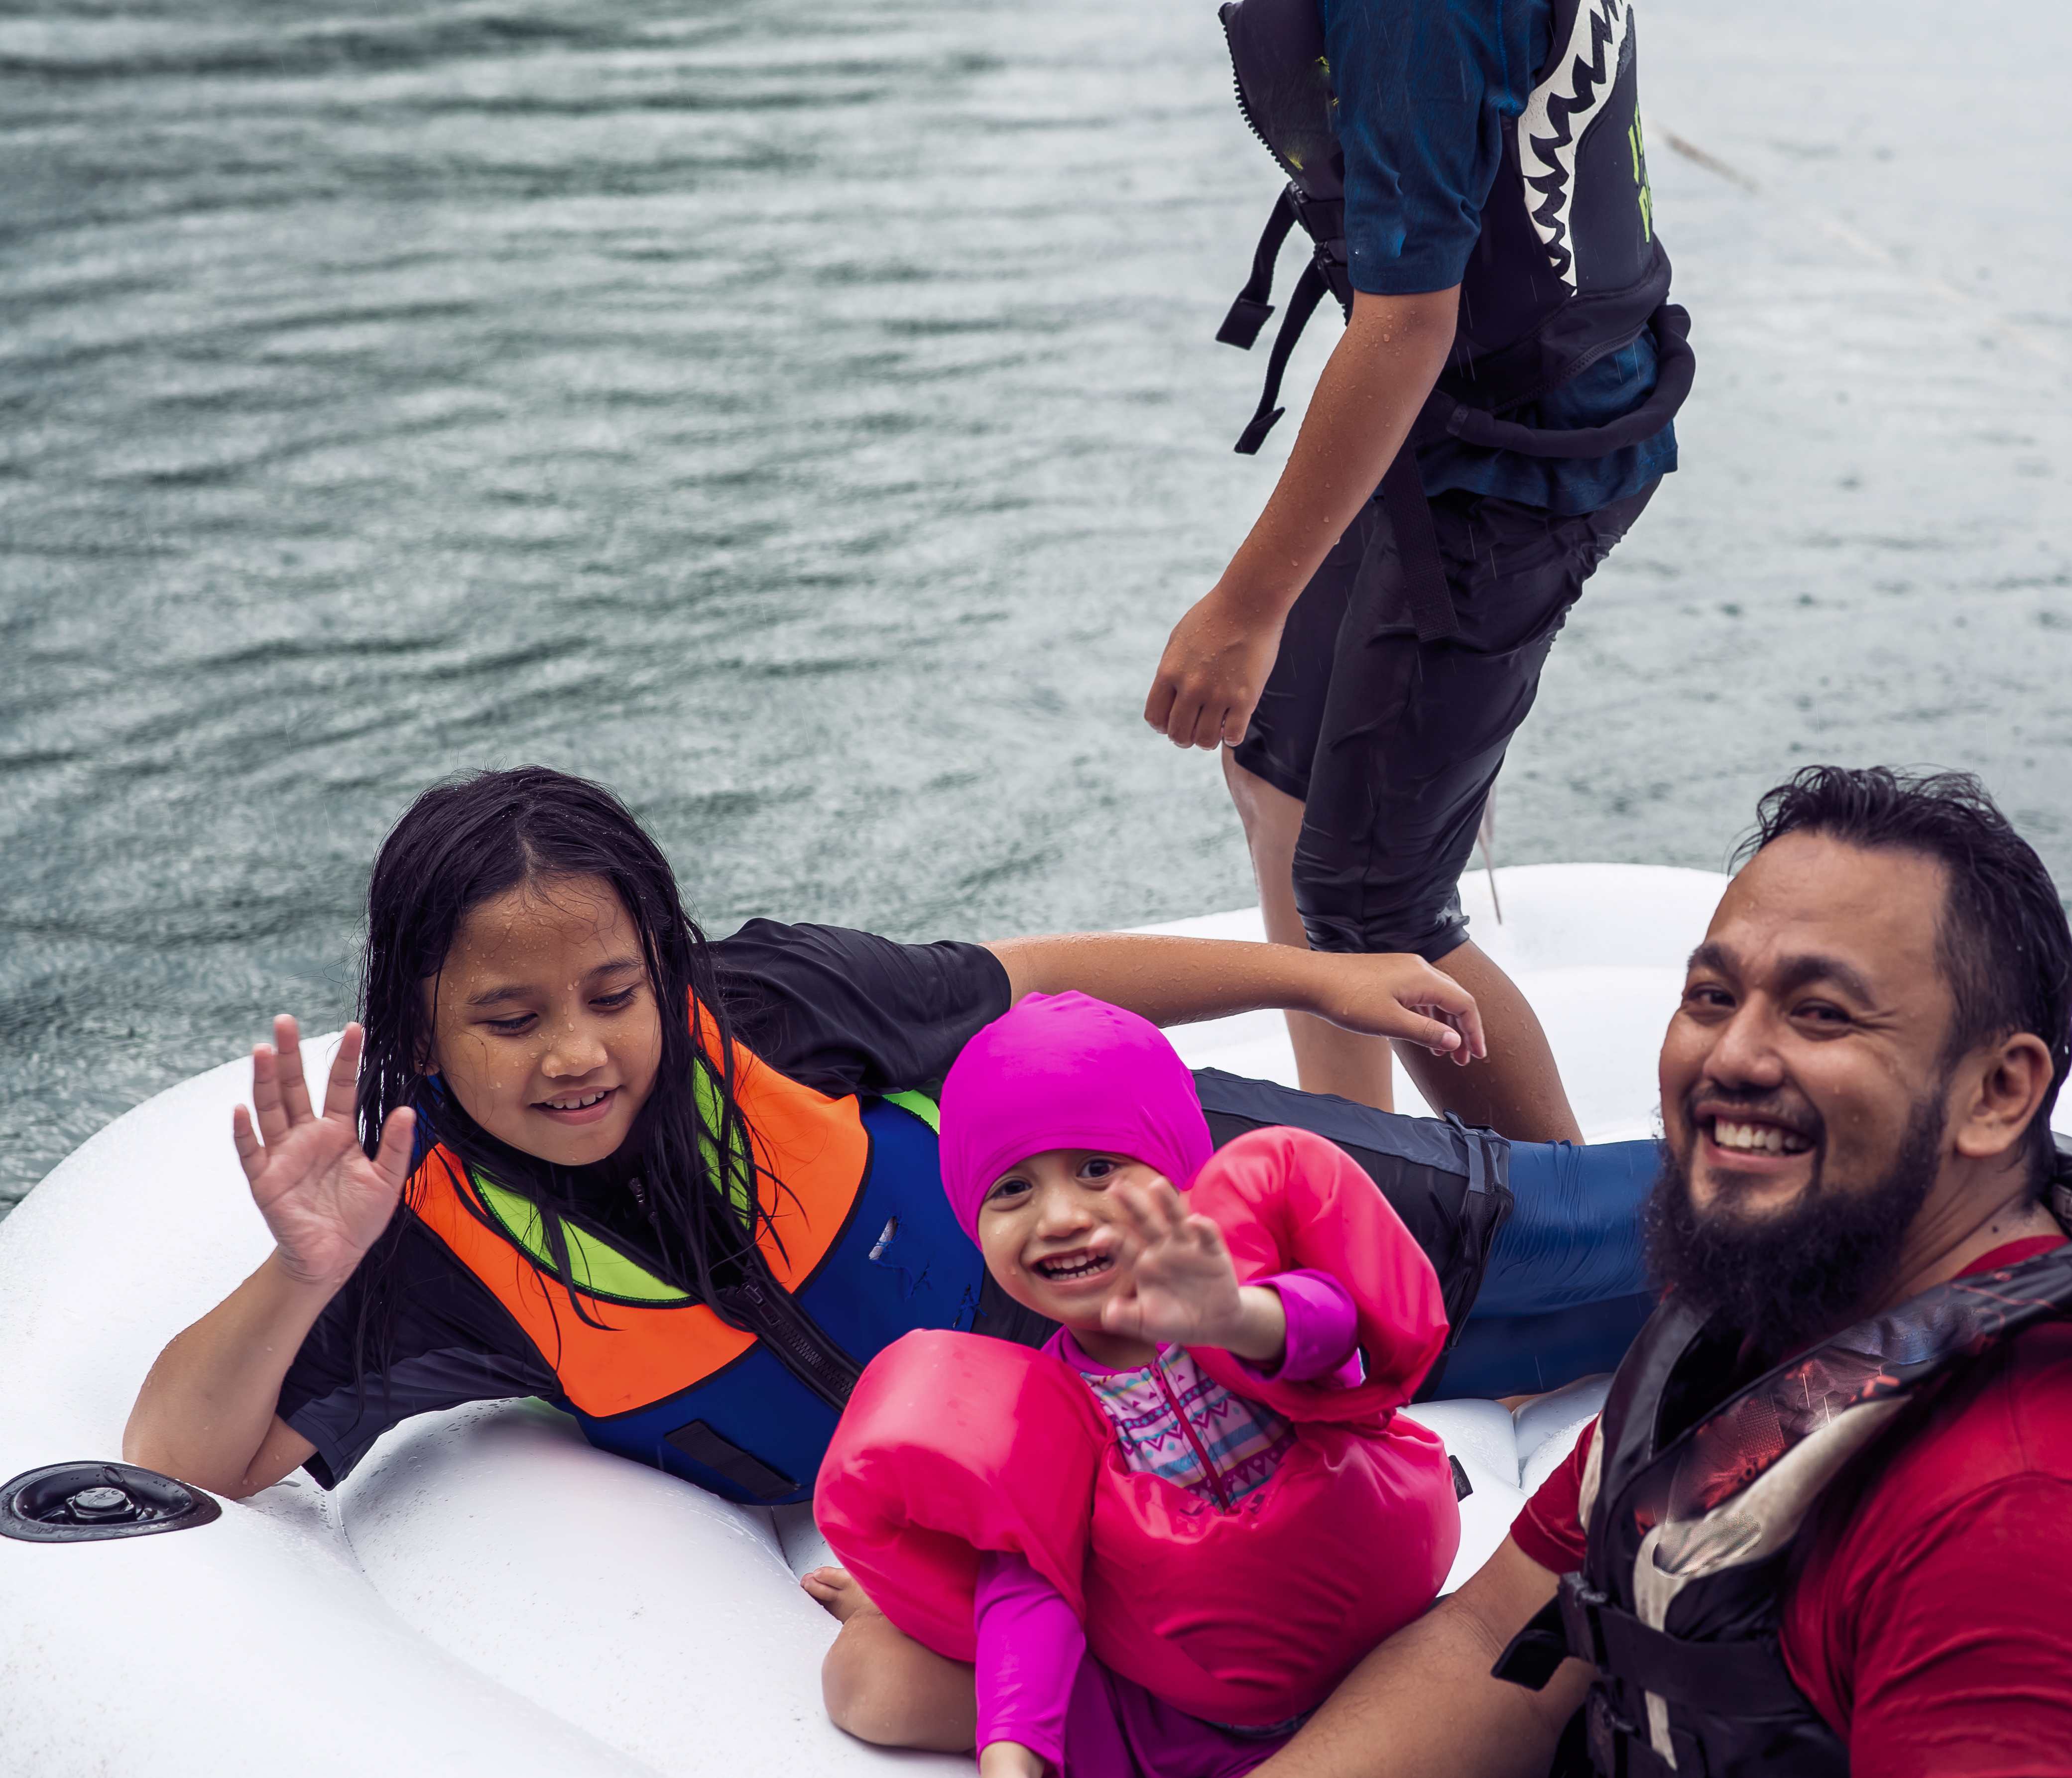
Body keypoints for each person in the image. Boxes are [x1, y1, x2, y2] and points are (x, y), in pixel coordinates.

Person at [121, 766, 1653, 1511]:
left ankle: (1897, 1171)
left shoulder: (767, 1006)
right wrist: (303, 1270)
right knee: (1610, 1309)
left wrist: (1310, 977)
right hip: (1139, 1417)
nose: (579, 1052)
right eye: (510, 1021)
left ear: (665, 964)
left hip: (1200, 1213)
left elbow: (1028, 979)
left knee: (1621, 1239)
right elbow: (180, 1460)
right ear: (427, 1031)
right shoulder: (440, 1243)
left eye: (611, 992)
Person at [1247, 766, 2072, 1778]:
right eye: (1712, 998)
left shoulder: (2035, 1537)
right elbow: (1495, 1640)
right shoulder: (1786, 1298)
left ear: (1997, 1094)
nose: (1731, 1055)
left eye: (1820, 1014)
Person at [1141, 0, 1688, 1146]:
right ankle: (1355, 1171)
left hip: (1513, 461)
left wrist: (1245, 607)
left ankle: (1571, 1238)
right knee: (1278, 776)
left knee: (1372, 900)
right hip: (1448, 423)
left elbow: (1407, 324)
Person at [806, 991, 1460, 1775]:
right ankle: (893, 1610)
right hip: (1191, 1717)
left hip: (1393, 1639)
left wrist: (1234, 1317)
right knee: (867, 1685)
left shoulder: (1241, 1288)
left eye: (1097, 1170)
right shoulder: (1039, 1406)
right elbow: (1034, 1588)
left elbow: (1334, 1337)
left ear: (1177, 1175)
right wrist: (1014, 1753)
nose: (1060, 1217)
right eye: (1012, 1189)